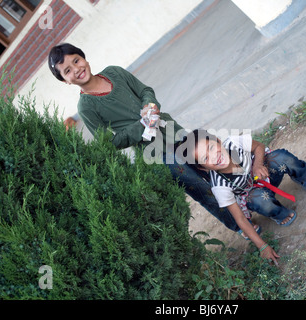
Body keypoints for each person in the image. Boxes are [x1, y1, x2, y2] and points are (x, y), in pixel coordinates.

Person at [47, 43, 240, 230]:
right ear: (65, 81)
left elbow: (145, 91)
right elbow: (108, 142)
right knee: (199, 187)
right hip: (154, 152)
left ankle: (246, 204)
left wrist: (150, 105)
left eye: (76, 61)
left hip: (171, 130)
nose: (76, 69)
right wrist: (141, 126)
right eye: (67, 71)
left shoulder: (115, 72)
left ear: (84, 58)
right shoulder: (86, 107)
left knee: (211, 167)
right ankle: (239, 226)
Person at [176, 129, 306, 265]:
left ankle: (305, 177)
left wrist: (257, 164)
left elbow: (259, 146)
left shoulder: (233, 143)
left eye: (211, 147)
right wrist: (262, 246)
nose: (214, 156)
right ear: (203, 168)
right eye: (205, 158)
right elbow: (239, 218)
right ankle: (278, 213)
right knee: (258, 199)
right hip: (254, 192)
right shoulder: (219, 186)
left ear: (218, 140)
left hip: (265, 172)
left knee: (280, 157)